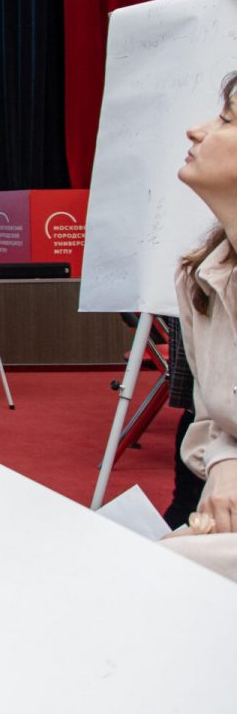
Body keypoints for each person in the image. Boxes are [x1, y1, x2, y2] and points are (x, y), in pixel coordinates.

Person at [160, 72, 237, 580]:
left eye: (226, 120)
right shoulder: (202, 275)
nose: (196, 130)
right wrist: (225, 461)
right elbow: (211, 419)